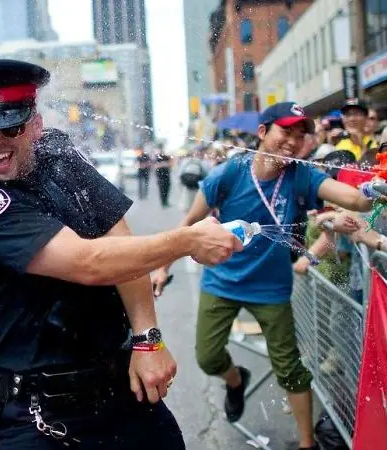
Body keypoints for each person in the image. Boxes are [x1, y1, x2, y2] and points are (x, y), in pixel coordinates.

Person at [0, 59, 243, 450]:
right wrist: (186, 240)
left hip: (122, 388)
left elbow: (118, 243)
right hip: (39, 414)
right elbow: (91, 263)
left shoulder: (59, 156)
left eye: (10, 127)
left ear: (35, 124)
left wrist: (147, 338)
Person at [153, 102, 373, 450]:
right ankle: (236, 380)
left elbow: (356, 201)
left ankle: (306, 444)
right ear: (262, 132)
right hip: (221, 280)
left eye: (301, 136)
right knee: (208, 357)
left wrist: (378, 188)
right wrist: (163, 266)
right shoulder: (229, 173)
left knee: (289, 369)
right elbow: (189, 226)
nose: (294, 141)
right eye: (286, 131)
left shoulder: (302, 174)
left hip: (271, 288)